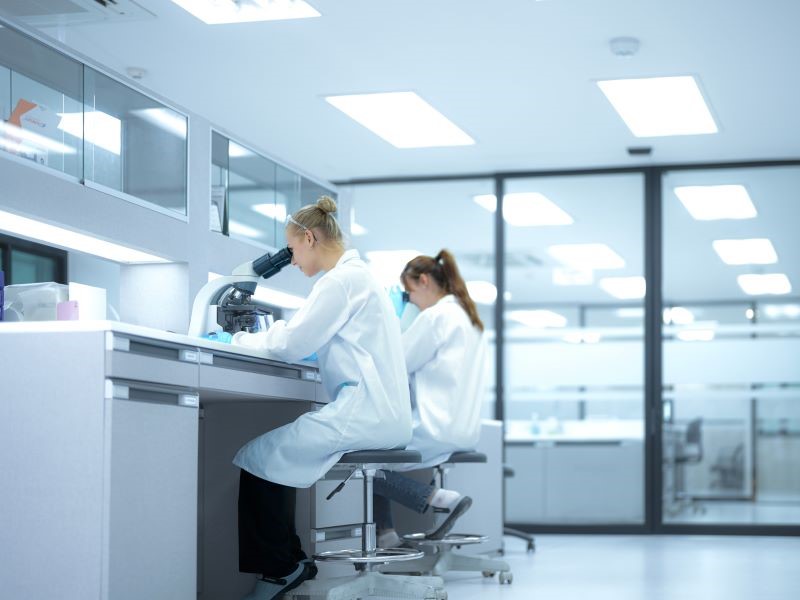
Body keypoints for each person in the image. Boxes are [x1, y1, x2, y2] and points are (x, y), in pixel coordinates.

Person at [230, 196, 412, 600]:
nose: (292, 262)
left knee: (258, 456)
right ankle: (291, 563)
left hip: (363, 413)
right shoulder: (361, 278)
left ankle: (282, 569)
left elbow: (293, 343)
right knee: (272, 453)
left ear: (309, 238)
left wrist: (237, 338)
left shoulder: (340, 281)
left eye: (293, 250)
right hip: (380, 413)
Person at [373, 249, 488, 548]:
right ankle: (386, 538)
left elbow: (397, 363)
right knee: (371, 457)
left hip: (435, 427)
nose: (410, 300)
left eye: (409, 292)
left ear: (423, 281)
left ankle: (438, 501)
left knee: (364, 464)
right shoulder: (470, 318)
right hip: (464, 431)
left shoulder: (437, 316)